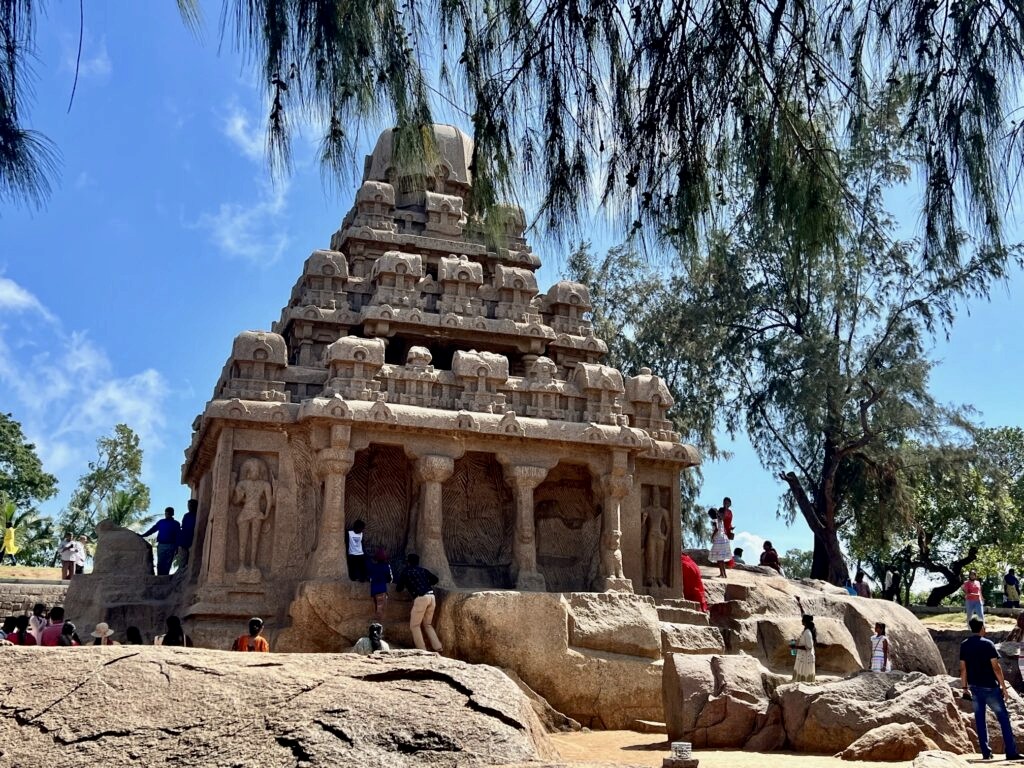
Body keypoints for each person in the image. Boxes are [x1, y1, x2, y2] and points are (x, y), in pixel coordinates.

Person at [960, 617, 1024, 761]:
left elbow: (963, 668)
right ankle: (1011, 752)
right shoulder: (988, 644)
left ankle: (985, 753)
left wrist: (964, 688)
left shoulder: (964, 645)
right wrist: (1003, 687)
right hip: (990, 688)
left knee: (980, 720)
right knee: (1004, 719)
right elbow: (996, 667)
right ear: (982, 627)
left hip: (974, 688)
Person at [395, 553, 442, 652]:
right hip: (431, 597)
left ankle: (422, 651)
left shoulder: (406, 572)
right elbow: (435, 579)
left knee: (415, 626)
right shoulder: (423, 570)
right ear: (418, 562)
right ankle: (438, 647)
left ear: (408, 562)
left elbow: (398, 588)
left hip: (421, 598)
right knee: (427, 624)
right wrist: (425, 584)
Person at [141, 507, 182, 576]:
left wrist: (176, 547)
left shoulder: (176, 524)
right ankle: (160, 578)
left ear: (172, 514)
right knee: (160, 563)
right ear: (165, 513)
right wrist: (143, 535)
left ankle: (164, 578)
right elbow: (153, 529)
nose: (167, 514)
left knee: (167, 564)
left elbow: (178, 536)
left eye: (169, 512)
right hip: (162, 545)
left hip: (171, 546)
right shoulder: (161, 522)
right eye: (167, 512)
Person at [791, 597, 816, 683]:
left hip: (806, 657)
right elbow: (803, 615)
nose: (801, 620)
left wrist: (796, 647)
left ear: (805, 622)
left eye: (802, 620)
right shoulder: (806, 629)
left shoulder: (808, 632)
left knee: (804, 676)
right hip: (803, 656)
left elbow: (809, 647)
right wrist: (799, 603)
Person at [368, 548, 393, 620]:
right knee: (381, 608)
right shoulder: (386, 566)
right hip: (381, 589)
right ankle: (379, 624)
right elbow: (390, 578)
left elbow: (370, 576)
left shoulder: (373, 566)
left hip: (374, 589)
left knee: (377, 605)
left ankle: (377, 622)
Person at [708, 508, 731, 578]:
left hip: (719, 539)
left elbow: (716, 529)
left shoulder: (714, 521)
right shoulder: (720, 520)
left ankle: (722, 574)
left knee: (719, 558)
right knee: (721, 558)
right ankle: (724, 574)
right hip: (723, 538)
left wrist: (712, 536)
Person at [178, 499, 198, 568]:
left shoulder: (196, 516)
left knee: (185, 561)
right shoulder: (187, 515)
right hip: (185, 541)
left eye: (190, 505)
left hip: (190, 540)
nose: (189, 507)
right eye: (188, 505)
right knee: (183, 560)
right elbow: (183, 526)